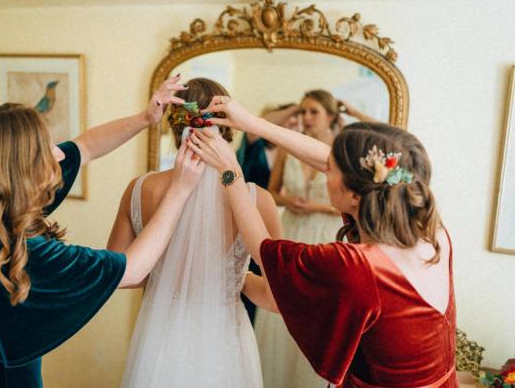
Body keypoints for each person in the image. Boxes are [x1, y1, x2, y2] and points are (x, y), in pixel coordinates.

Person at [0, 75, 206, 388]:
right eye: (46, 150)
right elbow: (132, 269)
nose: (58, 155)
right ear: (20, 171)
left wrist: (146, 117)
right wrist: (179, 191)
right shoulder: (22, 252)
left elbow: (85, 146)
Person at [189, 96, 457, 388]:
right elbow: (329, 159)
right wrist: (252, 123)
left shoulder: (358, 265)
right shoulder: (433, 233)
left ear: (355, 195)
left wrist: (231, 173)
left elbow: (263, 250)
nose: (325, 174)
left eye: (332, 171)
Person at [108, 78, 281, 388]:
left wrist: (169, 273)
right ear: (229, 126)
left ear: (174, 126)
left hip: (161, 334)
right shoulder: (258, 200)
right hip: (224, 337)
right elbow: (274, 297)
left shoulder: (139, 189)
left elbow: (120, 274)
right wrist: (231, 278)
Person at [257, 89, 344, 388]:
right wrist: (287, 200)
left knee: (316, 314)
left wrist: (317, 206)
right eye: (303, 111)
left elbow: (352, 202)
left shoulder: (341, 152)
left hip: (325, 236)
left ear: (331, 116)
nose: (306, 118)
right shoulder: (286, 150)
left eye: (313, 112)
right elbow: (270, 192)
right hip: (291, 231)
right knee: (283, 309)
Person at [236, 103, 299, 324]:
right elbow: (257, 123)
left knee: (267, 279)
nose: (293, 123)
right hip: (244, 216)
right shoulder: (254, 144)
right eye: (288, 119)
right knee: (243, 276)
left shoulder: (287, 154)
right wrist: (296, 107)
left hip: (268, 219)